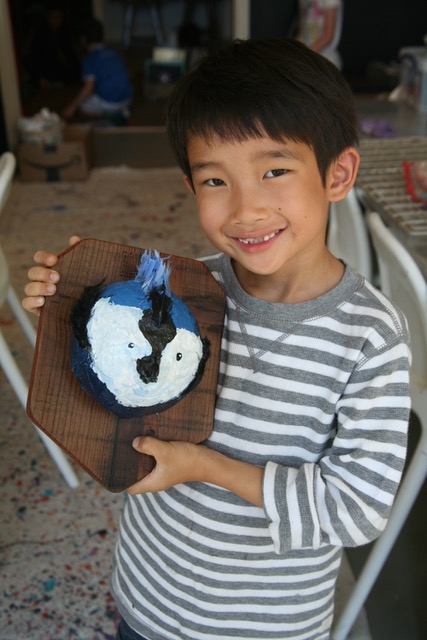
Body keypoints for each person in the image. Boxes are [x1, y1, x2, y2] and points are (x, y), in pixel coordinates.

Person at [23, 38, 411, 640]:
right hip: (149, 597)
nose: (246, 209)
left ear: (337, 174)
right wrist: (70, 304)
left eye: (274, 171)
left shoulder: (370, 335)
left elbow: (357, 510)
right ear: (189, 185)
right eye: (214, 180)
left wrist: (203, 466)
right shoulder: (184, 289)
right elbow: (105, 386)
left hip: (263, 625)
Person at [62, 18, 133, 122]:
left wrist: (72, 107)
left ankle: (112, 114)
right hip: (127, 97)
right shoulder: (114, 53)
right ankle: (121, 110)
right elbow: (127, 74)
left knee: (81, 108)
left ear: (83, 39)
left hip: (110, 102)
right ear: (103, 36)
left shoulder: (90, 58)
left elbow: (88, 88)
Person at [296, 0, 343, 68]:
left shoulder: (330, 2)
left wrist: (305, 54)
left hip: (325, 59)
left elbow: (328, 36)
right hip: (306, 56)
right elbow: (302, 32)